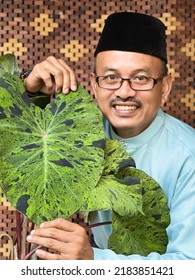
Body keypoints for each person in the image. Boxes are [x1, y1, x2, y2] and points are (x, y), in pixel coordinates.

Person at [24, 12, 195, 260]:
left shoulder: (189, 155)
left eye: (141, 78)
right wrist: (29, 91)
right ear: (94, 85)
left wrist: (94, 262)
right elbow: (20, 144)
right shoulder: (81, 131)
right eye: (111, 77)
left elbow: (189, 265)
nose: (124, 92)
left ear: (165, 87)